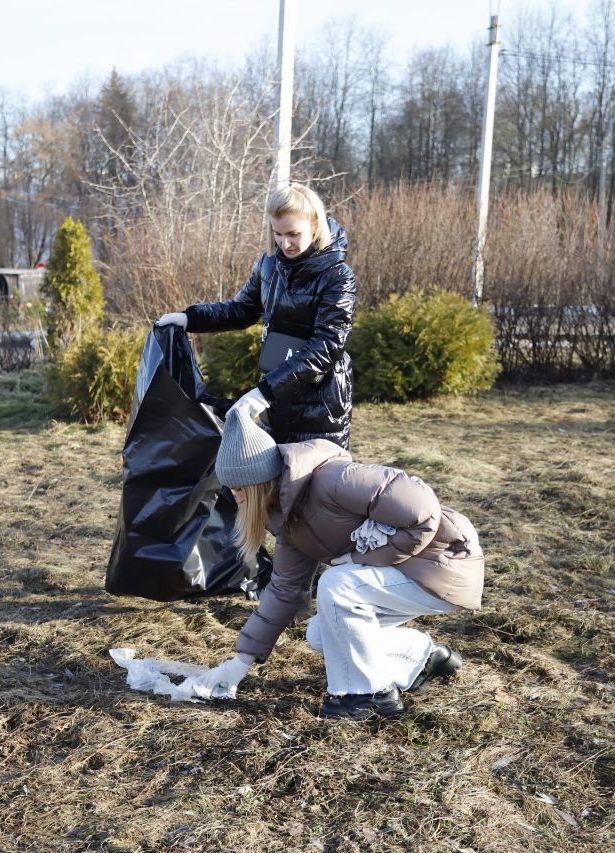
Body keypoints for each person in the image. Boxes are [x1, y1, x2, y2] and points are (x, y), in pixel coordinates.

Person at [178, 408, 485, 719]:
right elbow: (284, 591)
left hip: (447, 562)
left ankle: (367, 696)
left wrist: (359, 558)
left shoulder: (331, 480)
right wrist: (240, 662)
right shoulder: (289, 521)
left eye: (239, 488)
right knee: (321, 633)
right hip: (413, 572)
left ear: (259, 481)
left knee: (337, 585)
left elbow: (422, 510)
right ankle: (421, 657)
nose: (235, 496)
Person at [155, 184, 356, 448]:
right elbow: (240, 310)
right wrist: (190, 319)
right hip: (277, 402)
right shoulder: (269, 266)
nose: (284, 243)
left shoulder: (338, 276)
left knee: (309, 485)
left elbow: (327, 346)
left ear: (316, 226)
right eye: (278, 234)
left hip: (321, 406)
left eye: (293, 234)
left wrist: (264, 392)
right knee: (268, 485)